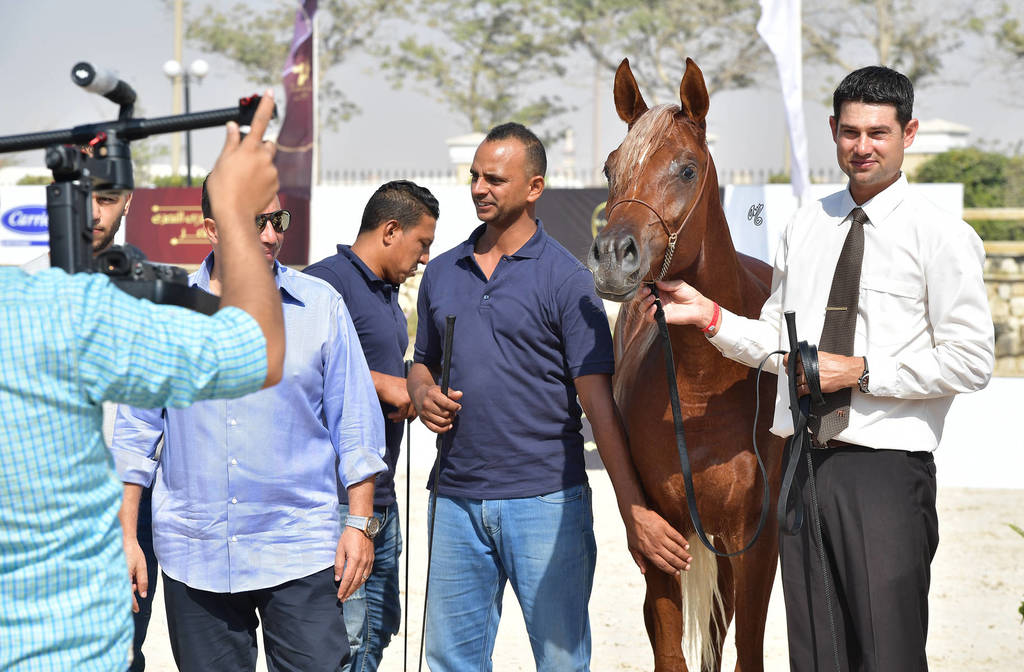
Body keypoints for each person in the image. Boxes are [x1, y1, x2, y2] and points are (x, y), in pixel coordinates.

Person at [640, 66, 994, 670]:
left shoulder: (942, 235)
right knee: (816, 657)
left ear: (908, 133)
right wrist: (710, 317)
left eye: (879, 133)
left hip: (885, 472)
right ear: (833, 130)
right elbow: (780, 342)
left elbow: (971, 360)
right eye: (851, 132)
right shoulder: (806, 225)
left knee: (887, 655)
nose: (863, 147)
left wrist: (857, 371)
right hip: (800, 468)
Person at [0, 92, 286, 672]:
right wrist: (237, 210)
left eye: (107, 197)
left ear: (126, 200)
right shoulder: (42, 305)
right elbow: (254, 351)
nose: (94, 214)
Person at [408, 122, 693, 671]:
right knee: (447, 663)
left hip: (546, 506)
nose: (479, 188)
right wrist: (422, 393)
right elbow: (421, 363)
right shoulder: (442, 271)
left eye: (495, 178)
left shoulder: (569, 280)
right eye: (474, 177)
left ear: (534, 187)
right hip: (454, 504)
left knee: (562, 663)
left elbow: (600, 408)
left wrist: (633, 507)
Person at [110, 175, 387, 672]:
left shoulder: (321, 306)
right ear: (213, 230)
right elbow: (135, 437)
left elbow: (357, 428)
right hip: (196, 554)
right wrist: (128, 537)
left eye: (277, 220)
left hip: (300, 549)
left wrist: (360, 525)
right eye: (254, 223)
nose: (270, 235)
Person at [304, 180, 439, 671]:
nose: (425, 258)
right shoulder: (323, 284)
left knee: (378, 631)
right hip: (339, 505)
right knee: (346, 642)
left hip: (383, 498)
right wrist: (394, 388)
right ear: (390, 230)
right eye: (422, 243)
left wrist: (410, 388)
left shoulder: (386, 293)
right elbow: (305, 371)